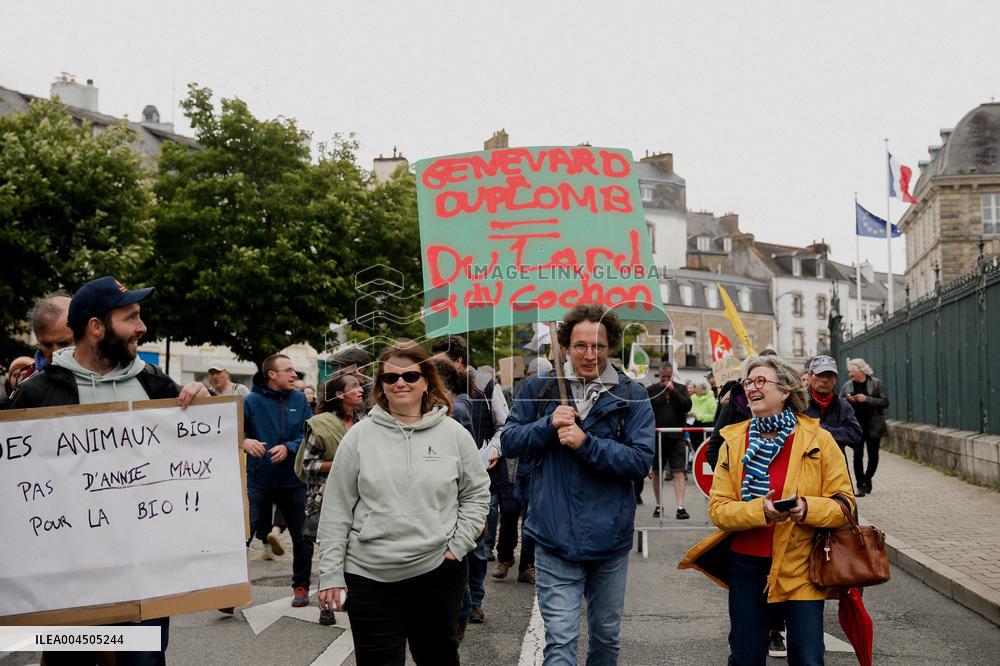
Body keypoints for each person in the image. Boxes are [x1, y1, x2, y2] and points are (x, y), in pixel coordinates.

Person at [7, 275, 209, 666]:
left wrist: (206, 401)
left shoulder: (155, 385)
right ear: (97, 328)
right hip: (67, 575)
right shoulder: (37, 394)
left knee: (142, 661)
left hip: (142, 571)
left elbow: (199, 457)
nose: (141, 327)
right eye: (130, 317)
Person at [317, 342, 490, 665]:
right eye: (390, 378)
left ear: (427, 380)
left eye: (410, 375)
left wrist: (458, 545)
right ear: (380, 385)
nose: (401, 383)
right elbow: (337, 509)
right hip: (369, 576)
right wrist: (330, 574)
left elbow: (477, 493)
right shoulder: (359, 437)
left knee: (438, 658)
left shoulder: (453, 433)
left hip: (438, 572)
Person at [502, 304, 655, 665]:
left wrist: (586, 444)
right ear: (565, 346)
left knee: (605, 640)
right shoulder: (538, 387)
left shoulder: (633, 396)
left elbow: (639, 461)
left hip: (610, 539)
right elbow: (509, 441)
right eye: (581, 345)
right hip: (554, 536)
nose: (590, 355)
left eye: (598, 346)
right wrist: (546, 426)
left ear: (611, 347)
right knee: (560, 643)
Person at [680, 354, 855, 666]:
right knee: (746, 659)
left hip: (801, 565)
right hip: (747, 567)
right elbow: (718, 510)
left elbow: (844, 505)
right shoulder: (733, 440)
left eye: (760, 381)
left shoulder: (819, 438)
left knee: (808, 660)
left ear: (785, 390)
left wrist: (806, 507)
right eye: (748, 382)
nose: (751, 387)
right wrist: (759, 511)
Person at [242, 353, 313, 607]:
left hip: (294, 480)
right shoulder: (250, 401)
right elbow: (231, 431)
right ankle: (231, 590)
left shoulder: (299, 399)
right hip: (259, 480)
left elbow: (307, 434)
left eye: (294, 370)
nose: (294, 374)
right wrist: (244, 441)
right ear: (272, 374)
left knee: (302, 537)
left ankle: (301, 587)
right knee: (243, 535)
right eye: (289, 370)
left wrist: (290, 447)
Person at [296, 373, 365, 626]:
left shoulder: (365, 421)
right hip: (326, 497)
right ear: (339, 394)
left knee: (354, 551)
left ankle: (349, 598)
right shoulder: (321, 423)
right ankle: (326, 606)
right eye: (354, 386)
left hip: (359, 497)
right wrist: (342, 464)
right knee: (329, 552)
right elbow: (309, 464)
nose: (360, 390)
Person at [510, 356, 553, 586]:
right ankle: (525, 564)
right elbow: (513, 434)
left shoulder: (554, 391)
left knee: (529, 517)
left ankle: (528, 564)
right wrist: (547, 425)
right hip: (527, 466)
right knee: (528, 518)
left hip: (533, 467)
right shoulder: (524, 392)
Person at [645, 360, 692, 519]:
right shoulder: (652, 390)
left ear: (673, 376)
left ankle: (680, 506)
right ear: (659, 376)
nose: (666, 381)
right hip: (657, 437)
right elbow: (646, 411)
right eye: (663, 378)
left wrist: (674, 391)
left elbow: (687, 406)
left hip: (676, 437)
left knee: (678, 472)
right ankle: (659, 505)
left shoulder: (681, 388)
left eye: (668, 377)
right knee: (658, 472)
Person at [840, 358, 890, 496]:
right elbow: (839, 402)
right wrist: (847, 400)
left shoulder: (876, 384)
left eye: (852, 372)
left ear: (861, 371)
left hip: (873, 425)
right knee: (857, 455)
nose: (850, 375)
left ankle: (868, 478)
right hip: (855, 425)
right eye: (849, 372)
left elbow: (885, 402)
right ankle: (860, 485)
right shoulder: (847, 385)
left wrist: (867, 399)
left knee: (873, 456)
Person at [804, 355, 863, 455]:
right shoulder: (799, 404)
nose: (825, 380)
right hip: (805, 465)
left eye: (830, 375)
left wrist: (821, 431)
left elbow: (855, 435)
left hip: (836, 466)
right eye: (820, 374)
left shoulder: (843, 407)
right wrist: (838, 433)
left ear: (835, 379)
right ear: (809, 376)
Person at [18, 292, 74, 383]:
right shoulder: (28, 385)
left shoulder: (102, 374)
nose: (55, 353)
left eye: (64, 343)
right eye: (47, 345)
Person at [688, 379, 718, 451]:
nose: (695, 389)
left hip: (706, 428)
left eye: (696, 387)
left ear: (702, 389)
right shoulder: (692, 398)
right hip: (693, 427)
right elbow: (689, 409)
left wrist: (699, 417)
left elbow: (714, 416)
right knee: (694, 448)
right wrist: (689, 414)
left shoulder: (711, 399)